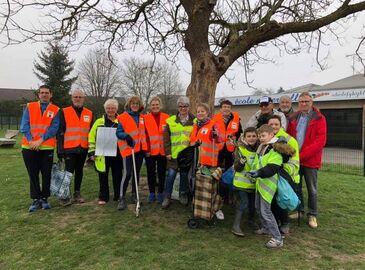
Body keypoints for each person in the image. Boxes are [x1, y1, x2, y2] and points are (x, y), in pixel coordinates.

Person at [248, 124, 294, 248]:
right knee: (258, 207)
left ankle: (277, 238)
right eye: (259, 136)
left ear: (271, 135)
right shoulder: (263, 147)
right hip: (260, 183)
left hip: (268, 185)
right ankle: (266, 228)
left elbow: (272, 168)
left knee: (266, 211)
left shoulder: (275, 150)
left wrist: (259, 173)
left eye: (263, 136)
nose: (260, 138)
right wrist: (254, 172)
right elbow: (259, 163)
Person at [287, 92, 327, 229]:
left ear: (312, 102)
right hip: (295, 160)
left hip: (310, 160)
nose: (304, 104)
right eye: (301, 102)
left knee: (312, 189)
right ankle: (300, 211)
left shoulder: (319, 118)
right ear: (298, 103)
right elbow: (289, 137)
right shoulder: (293, 117)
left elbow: (320, 141)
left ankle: (312, 214)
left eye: (306, 101)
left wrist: (301, 155)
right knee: (296, 187)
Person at [20, 85, 60, 212]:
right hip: (29, 146)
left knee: (46, 174)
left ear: (51, 94)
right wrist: (32, 141)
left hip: (46, 147)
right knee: (33, 174)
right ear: (38, 94)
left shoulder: (56, 109)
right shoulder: (30, 107)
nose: (44, 95)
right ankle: (36, 199)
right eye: (42, 93)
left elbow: (54, 128)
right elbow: (24, 125)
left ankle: (45, 198)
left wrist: (40, 140)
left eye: (46, 93)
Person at [57, 89, 93, 205]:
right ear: (72, 98)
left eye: (80, 97)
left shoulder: (89, 113)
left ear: (83, 98)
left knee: (79, 172)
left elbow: (92, 133)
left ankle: (77, 193)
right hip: (69, 148)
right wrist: (60, 149)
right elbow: (60, 131)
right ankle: (64, 196)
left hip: (83, 148)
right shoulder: (64, 111)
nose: (78, 99)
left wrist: (91, 150)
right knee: (68, 172)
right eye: (75, 97)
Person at [268, 115, 300, 234]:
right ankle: (275, 222)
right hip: (271, 174)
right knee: (272, 200)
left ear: (281, 125)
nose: (274, 126)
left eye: (276, 124)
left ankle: (285, 223)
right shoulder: (267, 138)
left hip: (284, 174)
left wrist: (282, 169)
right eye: (271, 124)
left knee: (280, 199)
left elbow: (294, 159)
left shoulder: (289, 139)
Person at [162, 96, 195, 209]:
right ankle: (167, 196)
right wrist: (167, 152)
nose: (183, 108)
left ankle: (183, 194)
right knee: (170, 175)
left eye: (185, 106)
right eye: (180, 106)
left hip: (187, 155)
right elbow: (166, 139)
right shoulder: (170, 120)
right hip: (174, 155)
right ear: (178, 107)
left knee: (184, 175)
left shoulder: (194, 121)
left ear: (188, 107)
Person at [88, 98, 122, 205]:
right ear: (105, 109)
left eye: (113, 108)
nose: (110, 110)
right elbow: (91, 137)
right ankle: (103, 196)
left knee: (118, 176)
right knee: (103, 176)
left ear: (116, 109)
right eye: (108, 108)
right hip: (102, 155)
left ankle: (118, 195)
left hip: (118, 154)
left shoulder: (122, 121)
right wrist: (92, 152)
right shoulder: (98, 122)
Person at [212, 99, 242, 218]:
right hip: (218, 149)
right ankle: (216, 194)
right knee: (217, 172)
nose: (226, 109)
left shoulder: (236, 118)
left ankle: (228, 197)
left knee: (229, 173)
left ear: (231, 108)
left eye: (228, 107)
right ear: (221, 108)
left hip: (230, 150)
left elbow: (240, 132)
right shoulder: (215, 118)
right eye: (224, 107)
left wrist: (235, 141)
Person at [116, 96, 147, 210]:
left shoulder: (142, 117)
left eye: (137, 104)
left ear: (139, 106)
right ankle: (121, 197)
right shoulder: (123, 117)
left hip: (139, 150)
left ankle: (135, 195)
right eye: (133, 103)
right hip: (128, 150)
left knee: (136, 173)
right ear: (129, 105)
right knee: (128, 173)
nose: (135, 105)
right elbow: (118, 132)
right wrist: (126, 136)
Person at [231, 127, 259, 236]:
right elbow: (236, 167)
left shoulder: (260, 149)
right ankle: (236, 225)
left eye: (253, 136)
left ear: (257, 137)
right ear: (244, 137)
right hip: (241, 183)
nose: (251, 138)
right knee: (244, 203)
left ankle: (250, 221)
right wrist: (241, 163)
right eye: (249, 136)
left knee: (252, 204)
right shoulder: (240, 149)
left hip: (254, 183)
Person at [144, 97, 169, 203]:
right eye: (153, 105)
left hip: (162, 151)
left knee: (162, 172)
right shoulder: (145, 118)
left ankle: (160, 193)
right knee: (150, 173)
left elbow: (169, 136)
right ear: (150, 106)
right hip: (150, 151)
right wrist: (146, 149)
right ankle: (151, 193)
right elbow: (144, 135)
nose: (155, 106)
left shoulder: (167, 118)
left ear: (160, 105)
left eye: (157, 104)